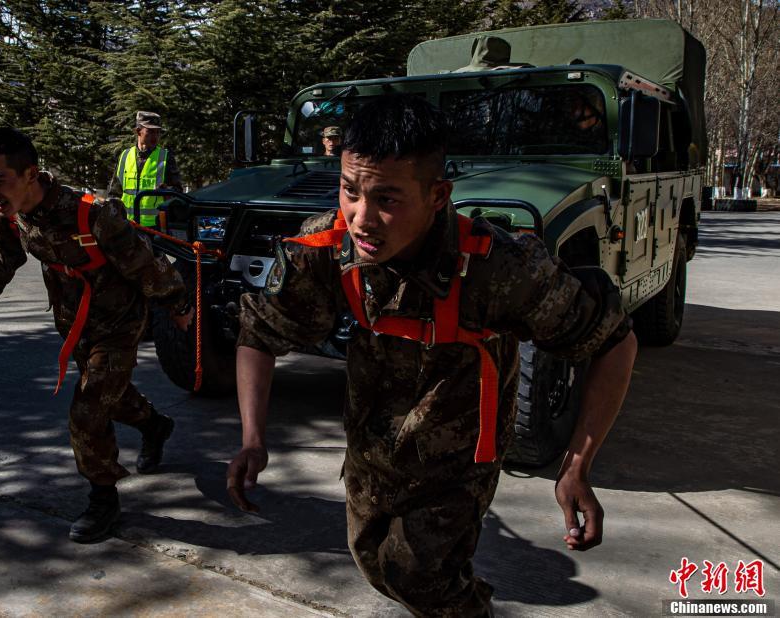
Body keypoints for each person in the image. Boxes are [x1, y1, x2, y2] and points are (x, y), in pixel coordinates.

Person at [226, 95, 637, 616]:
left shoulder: (500, 270)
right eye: (350, 191)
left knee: (420, 575)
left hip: (458, 462)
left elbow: (615, 341)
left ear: (438, 195)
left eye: (388, 199)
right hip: (373, 451)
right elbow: (259, 333)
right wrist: (252, 439)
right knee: (375, 560)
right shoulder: (326, 249)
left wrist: (577, 466)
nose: (362, 219)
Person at [0, 128, 195, 543]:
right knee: (108, 394)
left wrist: (178, 307)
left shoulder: (92, 214)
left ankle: (103, 499)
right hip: (73, 320)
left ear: (31, 173)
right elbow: (7, 255)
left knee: (88, 407)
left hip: (118, 321)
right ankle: (155, 425)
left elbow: (145, 264)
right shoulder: (8, 210)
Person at [108, 110, 184, 228]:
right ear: (138, 131)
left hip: (154, 227)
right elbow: (115, 193)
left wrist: (167, 190)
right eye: (150, 132)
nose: (155, 137)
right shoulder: (125, 156)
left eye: (158, 132)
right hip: (126, 226)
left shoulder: (166, 157)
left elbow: (178, 192)